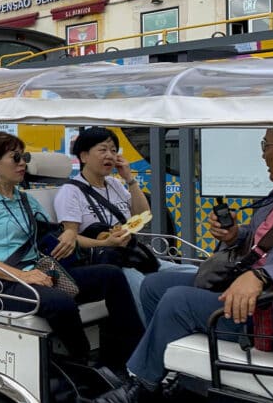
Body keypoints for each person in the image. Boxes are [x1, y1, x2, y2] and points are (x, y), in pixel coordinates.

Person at [90, 129, 273, 403]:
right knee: (154, 285)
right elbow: (265, 243)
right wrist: (237, 235)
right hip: (247, 288)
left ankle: (143, 384)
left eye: (266, 145)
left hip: (271, 311)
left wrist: (262, 277)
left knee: (178, 301)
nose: (262, 153)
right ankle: (170, 370)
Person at [0, 131, 144, 364]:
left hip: (42, 270)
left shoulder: (26, 199)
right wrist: (24, 276)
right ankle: (84, 363)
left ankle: (129, 357)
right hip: (3, 283)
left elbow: (53, 232)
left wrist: (71, 233)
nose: (22, 164)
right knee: (60, 302)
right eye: (16, 158)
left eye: (25, 158)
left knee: (111, 275)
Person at [54, 127, 194, 319]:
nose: (109, 156)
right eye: (102, 150)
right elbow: (70, 237)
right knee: (145, 292)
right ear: (84, 156)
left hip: (133, 255)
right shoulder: (70, 192)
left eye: (113, 150)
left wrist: (129, 179)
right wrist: (105, 243)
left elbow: (143, 214)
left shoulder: (115, 184)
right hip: (108, 262)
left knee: (195, 274)